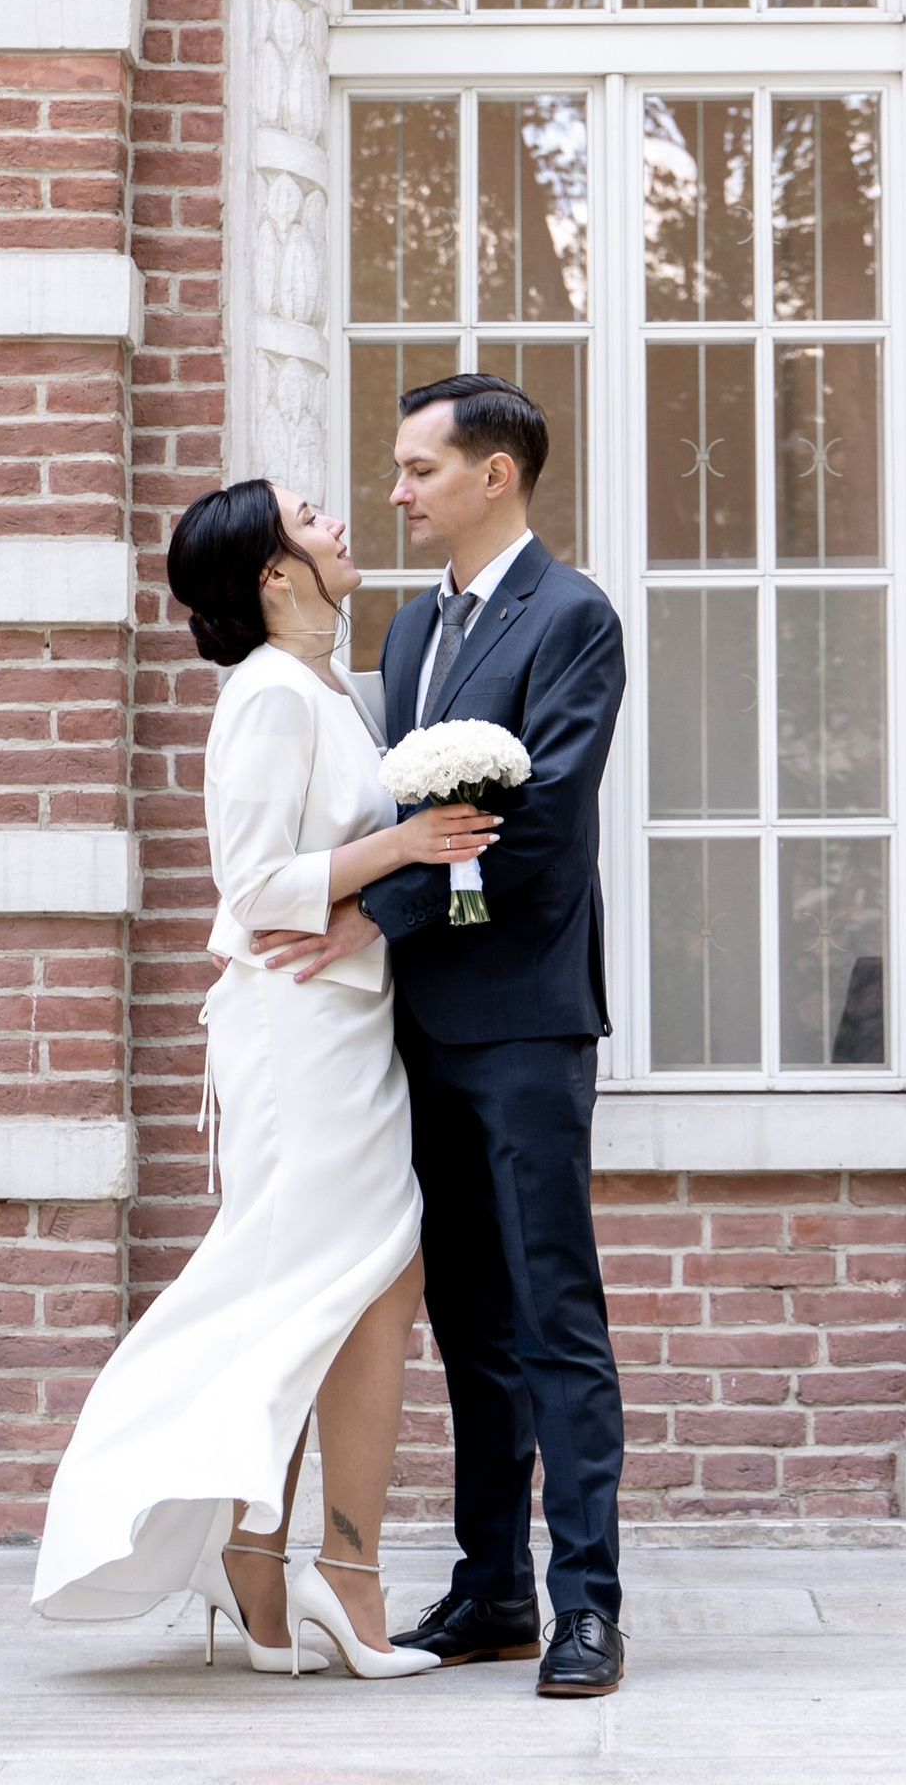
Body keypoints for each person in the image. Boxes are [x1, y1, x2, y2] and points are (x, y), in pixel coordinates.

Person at [31, 475, 497, 1680]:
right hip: (295, 1040)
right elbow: (251, 885)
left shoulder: (328, 692)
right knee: (337, 1282)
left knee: (356, 1289)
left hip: (341, 1027)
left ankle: (283, 1563)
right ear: (276, 575)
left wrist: (393, 879)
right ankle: (305, 1565)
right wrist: (405, 844)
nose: (338, 523)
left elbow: (326, 880)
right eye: (310, 519)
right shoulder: (270, 695)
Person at [252, 373, 630, 1701]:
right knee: (469, 1322)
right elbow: (399, 804)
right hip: (421, 1030)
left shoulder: (574, 617)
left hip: (526, 1016)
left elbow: (544, 831)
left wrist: (376, 913)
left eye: (419, 470)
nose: (397, 493)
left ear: (495, 478)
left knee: (553, 1318)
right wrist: (373, 912)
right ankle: (493, 1589)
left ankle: (590, 1603)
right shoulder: (411, 635)